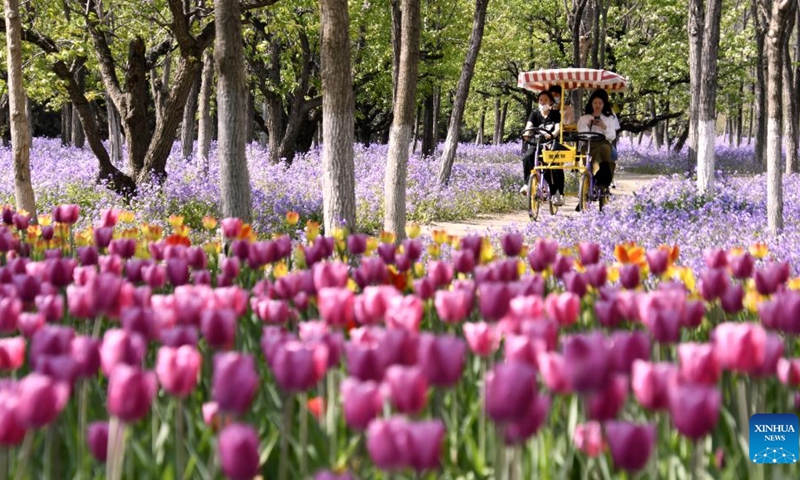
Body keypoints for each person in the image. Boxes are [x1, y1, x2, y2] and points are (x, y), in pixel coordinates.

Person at [520, 91, 565, 206]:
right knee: (527, 156)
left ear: (550, 102)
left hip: (550, 144)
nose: (543, 102)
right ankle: (527, 183)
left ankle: (556, 193)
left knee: (552, 167)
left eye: (545, 100)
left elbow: (557, 128)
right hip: (537, 144)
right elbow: (529, 126)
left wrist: (552, 135)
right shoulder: (534, 114)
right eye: (541, 100)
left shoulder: (555, 114)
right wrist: (527, 133)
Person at [577, 89, 620, 194]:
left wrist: (603, 126)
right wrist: (588, 125)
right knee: (586, 154)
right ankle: (586, 184)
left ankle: (603, 182)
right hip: (589, 144)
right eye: (595, 103)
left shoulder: (609, 117)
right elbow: (582, 134)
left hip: (603, 143)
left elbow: (612, 136)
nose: (597, 105)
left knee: (603, 150)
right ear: (591, 104)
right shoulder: (584, 118)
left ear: (603, 104)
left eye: (600, 103)